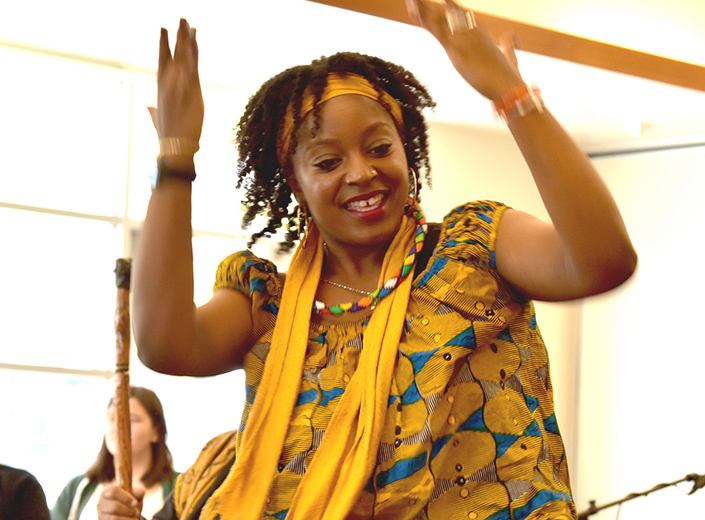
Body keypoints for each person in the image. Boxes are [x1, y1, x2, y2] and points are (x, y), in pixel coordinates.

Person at [119, 0, 637, 518]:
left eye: (379, 147)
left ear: (406, 154)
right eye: (328, 161)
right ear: (296, 184)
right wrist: (175, 157)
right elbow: (166, 344)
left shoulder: (476, 250)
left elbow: (602, 260)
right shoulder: (268, 308)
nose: (361, 172)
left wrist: (512, 96)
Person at [52, 386, 178, 520]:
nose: (118, 426)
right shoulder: (78, 488)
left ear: (156, 431)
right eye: (112, 418)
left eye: (132, 419)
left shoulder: (179, 489)